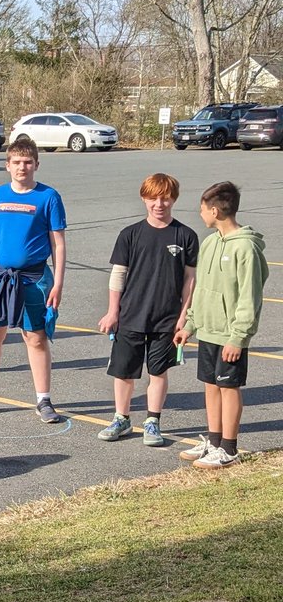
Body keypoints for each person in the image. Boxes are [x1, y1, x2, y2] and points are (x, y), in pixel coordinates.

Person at [0, 139, 67, 423]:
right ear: (8, 165)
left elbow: (58, 243)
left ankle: (43, 400)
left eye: (28, 162)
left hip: (33, 278)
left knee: (36, 338)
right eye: (17, 162)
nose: (22, 167)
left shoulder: (48, 197)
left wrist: (58, 283)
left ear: (36, 165)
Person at [97, 174, 198, 446]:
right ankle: (122, 418)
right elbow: (118, 275)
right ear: (144, 198)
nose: (159, 203)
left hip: (166, 318)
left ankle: (153, 422)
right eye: (153, 198)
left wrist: (183, 316)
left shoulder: (185, 235)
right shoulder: (130, 235)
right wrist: (112, 312)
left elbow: (190, 280)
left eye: (165, 197)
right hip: (130, 315)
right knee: (123, 371)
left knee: (158, 372)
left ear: (174, 199)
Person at [174, 181, 268, 468]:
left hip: (230, 335)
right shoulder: (211, 242)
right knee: (210, 385)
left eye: (202, 209)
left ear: (214, 210)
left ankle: (229, 448)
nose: (200, 214)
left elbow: (249, 298)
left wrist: (238, 338)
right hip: (208, 331)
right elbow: (201, 290)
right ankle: (213, 442)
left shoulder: (246, 249)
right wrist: (190, 325)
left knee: (229, 387)